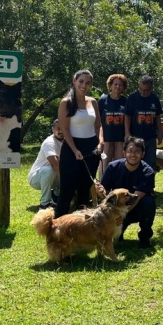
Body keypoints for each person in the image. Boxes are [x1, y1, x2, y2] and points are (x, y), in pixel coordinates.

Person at [54, 70, 102, 218]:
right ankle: (56, 230)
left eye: (88, 83)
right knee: (67, 191)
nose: (84, 85)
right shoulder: (66, 103)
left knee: (84, 191)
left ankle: (81, 228)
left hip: (92, 149)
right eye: (81, 81)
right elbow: (65, 129)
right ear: (74, 81)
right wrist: (75, 150)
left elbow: (98, 126)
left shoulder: (93, 101)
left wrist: (101, 143)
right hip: (72, 149)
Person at [97, 137, 157, 249]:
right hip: (116, 210)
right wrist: (100, 192)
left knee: (148, 201)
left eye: (137, 152)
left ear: (143, 154)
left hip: (135, 208)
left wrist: (122, 215)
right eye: (129, 151)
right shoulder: (112, 167)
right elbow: (104, 194)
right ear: (124, 153)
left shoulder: (148, 172)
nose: (133, 155)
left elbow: (137, 198)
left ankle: (145, 237)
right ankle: (115, 234)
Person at [125, 74, 163, 169]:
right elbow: (127, 116)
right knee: (134, 162)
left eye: (146, 90)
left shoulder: (155, 99)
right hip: (135, 137)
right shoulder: (132, 98)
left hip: (150, 137)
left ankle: (148, 183)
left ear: (151, 88)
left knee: (150, 164)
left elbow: (158, 117)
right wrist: (127, 132)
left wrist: (160, 132)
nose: (142, 92)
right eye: (140, 89)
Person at [28, 119, 64, 209]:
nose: (60, 131)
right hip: (36, 178)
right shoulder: (49, 142)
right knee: (49, 170)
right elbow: (55, 165)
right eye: (58, 129)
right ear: (53, 129)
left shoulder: (68, 141)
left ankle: (56, 196)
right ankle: (45, 203)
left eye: (63, 128)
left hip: (54, 176)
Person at [98, 73, 128, 175]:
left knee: (119, 163)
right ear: (110, 85)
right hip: (106, 139)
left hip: (120, 139)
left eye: (120, 84)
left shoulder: (126, 101)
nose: (117, 86)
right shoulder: (103, 100)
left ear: (123, 87)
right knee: (104, 164)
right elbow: (97, 121)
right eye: (115, 84)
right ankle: (102, 187)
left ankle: (117, 188)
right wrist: (100, 139)